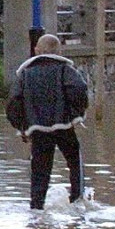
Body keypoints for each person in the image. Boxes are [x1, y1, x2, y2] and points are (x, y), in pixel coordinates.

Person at [5, 33, 89, 210]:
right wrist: (75, 115)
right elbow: (79, 89)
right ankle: (78, 201)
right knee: (75, 161)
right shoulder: (65, 70)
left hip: (38, 130)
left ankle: (36, 208)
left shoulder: (25, 74)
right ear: (59, 51)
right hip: (64, 126)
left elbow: (13, 101)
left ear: (36, 50)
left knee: (39, 171)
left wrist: (22, 127)